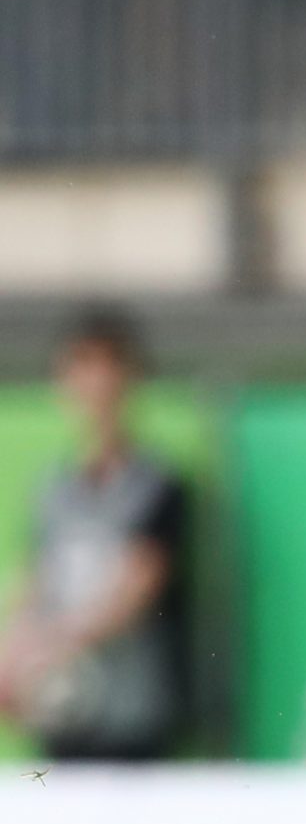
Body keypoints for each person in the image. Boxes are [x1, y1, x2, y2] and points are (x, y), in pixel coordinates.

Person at [0, 307, 186, 762]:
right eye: (82, 366)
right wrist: (14, 653)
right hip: (63, 711)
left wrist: (54, 641)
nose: (96, 384)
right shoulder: (55, 490)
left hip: (133, 717)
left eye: (108, 366)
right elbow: (38, 579)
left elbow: (137, 586)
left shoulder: (158, 486)